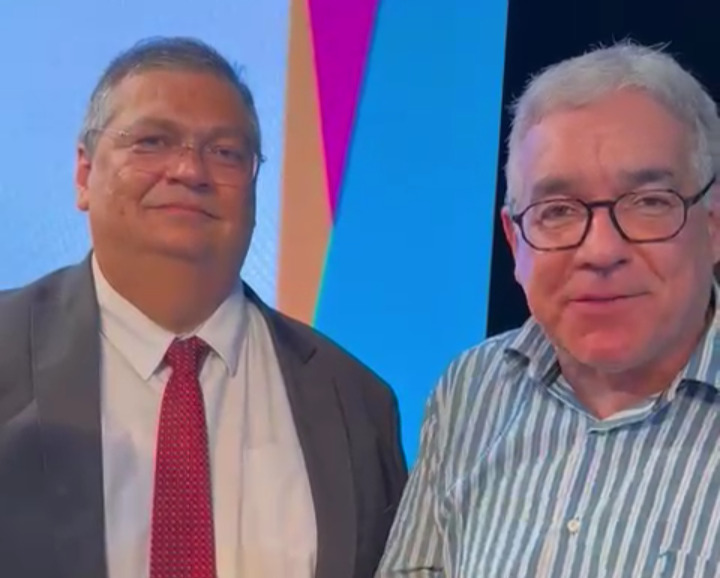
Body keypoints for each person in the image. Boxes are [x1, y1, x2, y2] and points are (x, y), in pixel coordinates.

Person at [0, 36, 407, 578]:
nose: (190, 170)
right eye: (152, 141)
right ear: (83, 174)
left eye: (225, 153)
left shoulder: (357, 402)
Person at [377, 41, 720, 577]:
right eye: (557, 211)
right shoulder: (471, 391)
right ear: (515, 242)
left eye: (649, 203)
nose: (601, 250)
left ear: (713, 224)